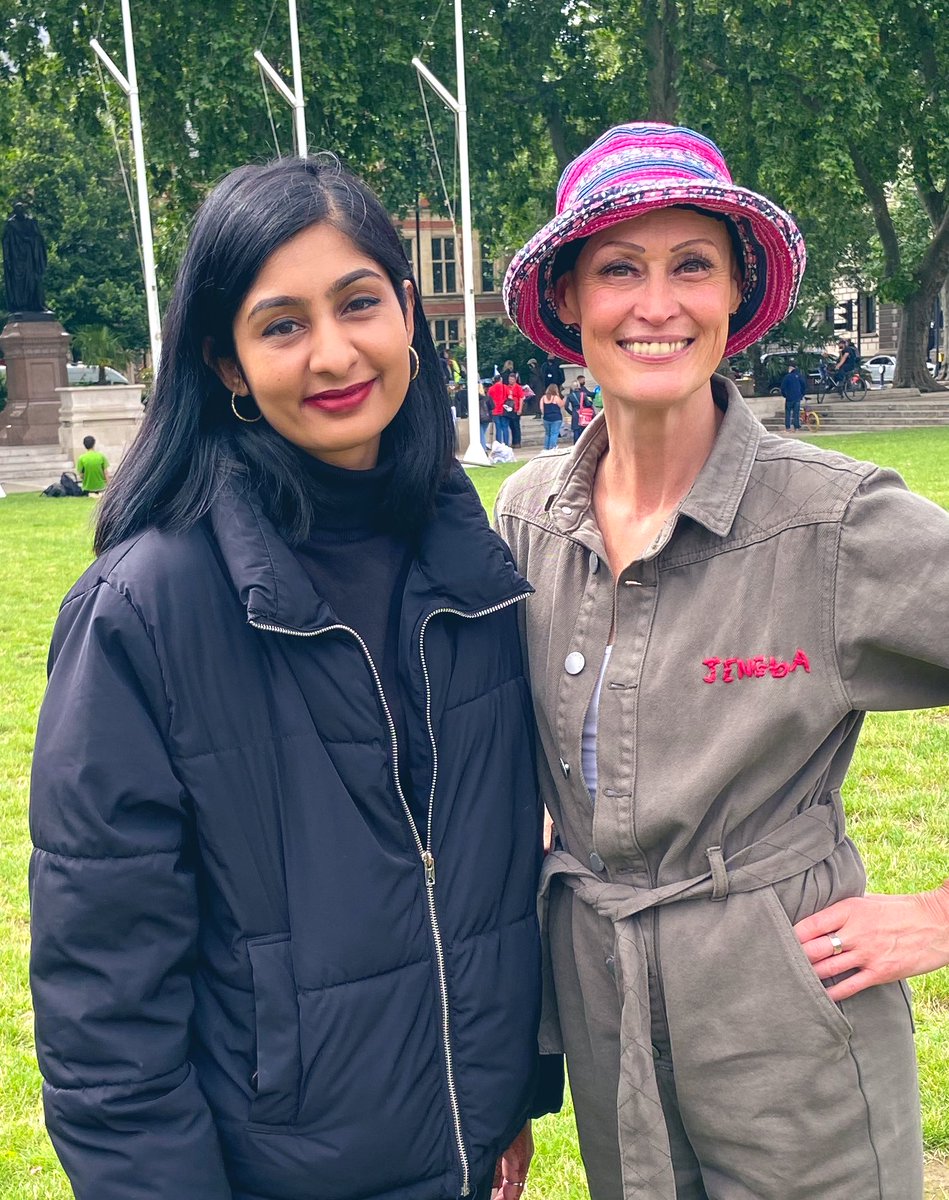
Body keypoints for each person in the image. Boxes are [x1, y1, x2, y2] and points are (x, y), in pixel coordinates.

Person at [30, 155, 561, 1200]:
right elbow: (106, 1008)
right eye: (280, 324)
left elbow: (482, 882)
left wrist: (500, 1098)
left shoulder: (483, 573)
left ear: (409, 312)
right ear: (227, 363)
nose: (333, 353)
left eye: (358, 302)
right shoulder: (143, 612)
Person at [497, 122, 949, 1199]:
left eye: (690, 265)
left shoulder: (834, 523)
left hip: (787, 1037)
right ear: (567, 299)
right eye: (618, 269)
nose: (656, 305)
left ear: (735, 293)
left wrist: (938, 916)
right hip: (605, 1025)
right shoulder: (526, 517)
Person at [564, 374, 596, 443]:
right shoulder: (583, 394)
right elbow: (588, 404)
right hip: (583, 414)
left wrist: (571, 413)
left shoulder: (569, 396)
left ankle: (576, 445)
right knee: (583, 430)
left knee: (576, 431)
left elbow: (566, 407)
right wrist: (590, 402)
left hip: (575, 414)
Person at [780, 360, 807, 430]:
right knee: (796, 413)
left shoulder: (787, 377)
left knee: (788, 412)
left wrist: (785, 395)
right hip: (797, 397)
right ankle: (796, 426)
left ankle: (788, 427)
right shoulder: (799, 376)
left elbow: (782, 388)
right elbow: (804, 386)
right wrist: (802, 394)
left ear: (791, 368)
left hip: (789, 398)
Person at [540, 382, 566, 449]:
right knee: (554, 433)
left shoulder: (543, 398)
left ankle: (546, 448)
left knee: (547, 434)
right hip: (556, 418)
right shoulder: (556, 397)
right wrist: (563, 400)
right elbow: (561, 405)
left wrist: (545, 414)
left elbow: (541, 408)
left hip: (546, 418)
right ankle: (552, 447)